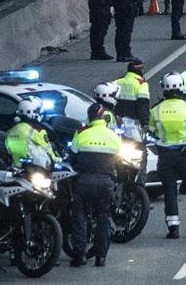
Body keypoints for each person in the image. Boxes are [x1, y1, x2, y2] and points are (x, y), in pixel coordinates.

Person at [149, 72, 186, 239]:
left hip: (165, 156)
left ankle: (173, 228)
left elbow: (152, 132)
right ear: (181, 86)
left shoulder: (156, 109)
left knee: (169, 191)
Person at [67, 103, 120, 268]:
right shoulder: (113, 135)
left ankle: (80, 255)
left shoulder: (81, 133)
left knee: (80, 217)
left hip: (84, 182)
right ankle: (100, 257)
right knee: (104, 217)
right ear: (104, 118)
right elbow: (119, 161)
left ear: (89, 117)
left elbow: (72, 158)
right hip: (106, 183)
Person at [5, 97, 56, 169]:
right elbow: (47, 149)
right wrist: (57, 160)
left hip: (16, 168)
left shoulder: (10, 130)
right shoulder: (37, 130)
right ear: (34, 113)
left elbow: (8, 150)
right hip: (35, 169)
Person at [113, 59, 150, 141]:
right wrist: (145, 124)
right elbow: (143, 106)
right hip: (134, 125)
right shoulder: (141, 84)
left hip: (117, 123)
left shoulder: (117, 82)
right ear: (140, 70)